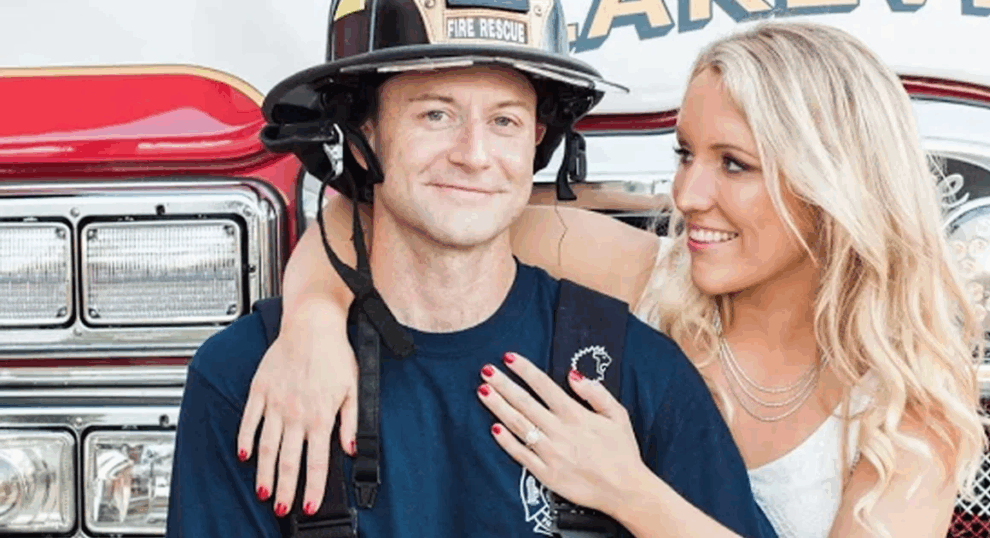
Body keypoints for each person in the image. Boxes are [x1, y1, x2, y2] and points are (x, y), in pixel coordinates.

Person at [239, 20, 990, 538]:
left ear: (834, 187)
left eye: (734, 164)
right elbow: (391, 213)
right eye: (684, 154)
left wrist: (626, 491)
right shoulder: (648, 278)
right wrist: (312, 325)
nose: (688, 196)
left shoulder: (908, 397)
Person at [167, 0, 778, 536]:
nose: (475, 155)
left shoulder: (635, 373)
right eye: (436, 114)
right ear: (361, 137)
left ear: (537, 141)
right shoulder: (246, 381)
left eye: (505, 121)